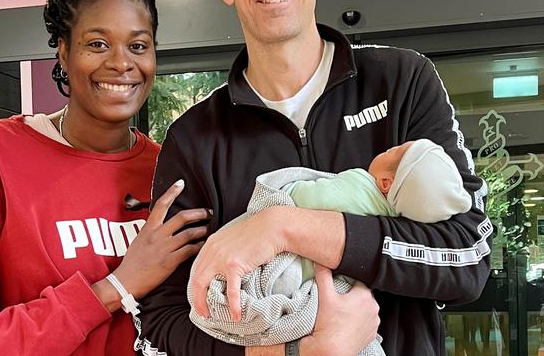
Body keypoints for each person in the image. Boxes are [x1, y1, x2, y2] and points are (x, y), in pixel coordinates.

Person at [137, 0, 491, 356]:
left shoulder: (403, 81)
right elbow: (163, 316)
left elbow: (468, 256)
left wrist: (285, 226)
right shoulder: (195, 139)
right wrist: (290, 354)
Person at [0, 0, 211, 355]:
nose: (121, 63)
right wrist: (116, 286)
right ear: (64, 52)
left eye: (138, 46)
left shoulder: (170, 171)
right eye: (97, 44)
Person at [189, 139, 472, 349]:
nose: (389, 146)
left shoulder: (360, 186)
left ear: (386, 182)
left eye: (394, 152)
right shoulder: (391, 222)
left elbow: (307, 197)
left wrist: (284, 207)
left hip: (286, 270)